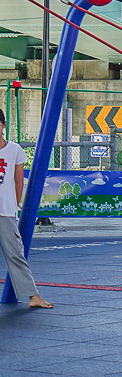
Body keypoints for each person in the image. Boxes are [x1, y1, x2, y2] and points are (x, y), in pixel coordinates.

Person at [0, 110, 52, 309]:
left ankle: (33, 296)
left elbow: (18, 179)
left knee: (15, 254)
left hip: (5, 211)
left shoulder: (14, 150)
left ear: (3, 125)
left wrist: (15, 204)